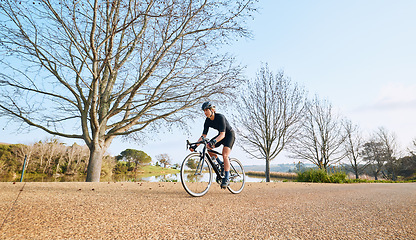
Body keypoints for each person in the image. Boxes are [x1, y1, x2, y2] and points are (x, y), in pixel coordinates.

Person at [190, 101, 235, 188]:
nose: (205, 112)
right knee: (207, 147)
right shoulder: (207, 121)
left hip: (229, 135)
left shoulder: (220, 117)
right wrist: (195, 145)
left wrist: (214, 141)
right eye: (204, 111)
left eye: (207, 110)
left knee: (225, 155)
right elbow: (203, 136)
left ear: (212, 110)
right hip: (221, 135)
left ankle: (226, 178)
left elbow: (223, 134)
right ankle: (220, 163)